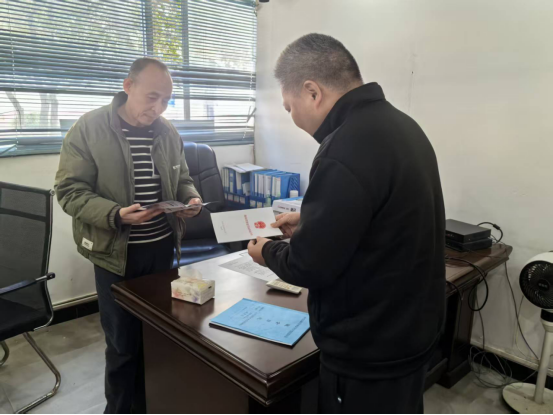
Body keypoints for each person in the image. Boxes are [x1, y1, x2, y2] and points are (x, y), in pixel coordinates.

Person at [248, 34, 446, 414]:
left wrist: (266, 251)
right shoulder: (402, 126)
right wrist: (311, 218)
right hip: (411, 327)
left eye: (289, 107)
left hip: (369, 348)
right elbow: (385, 213)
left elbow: (309, 265)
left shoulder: (344, 147)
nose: (292, 118)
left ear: (312, 92)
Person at [55, 58, 203, 415]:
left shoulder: (168, 131)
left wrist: (191, 198)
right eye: (152, 97)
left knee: (157, 337)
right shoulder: (89, 128)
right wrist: (115, 214)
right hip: (115, 255)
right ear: (128, 86)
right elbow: (69, 192)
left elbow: (182, 178)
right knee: (123, 344)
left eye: (166, 100)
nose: (159, 108)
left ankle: (151, 405)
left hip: (162, 251)